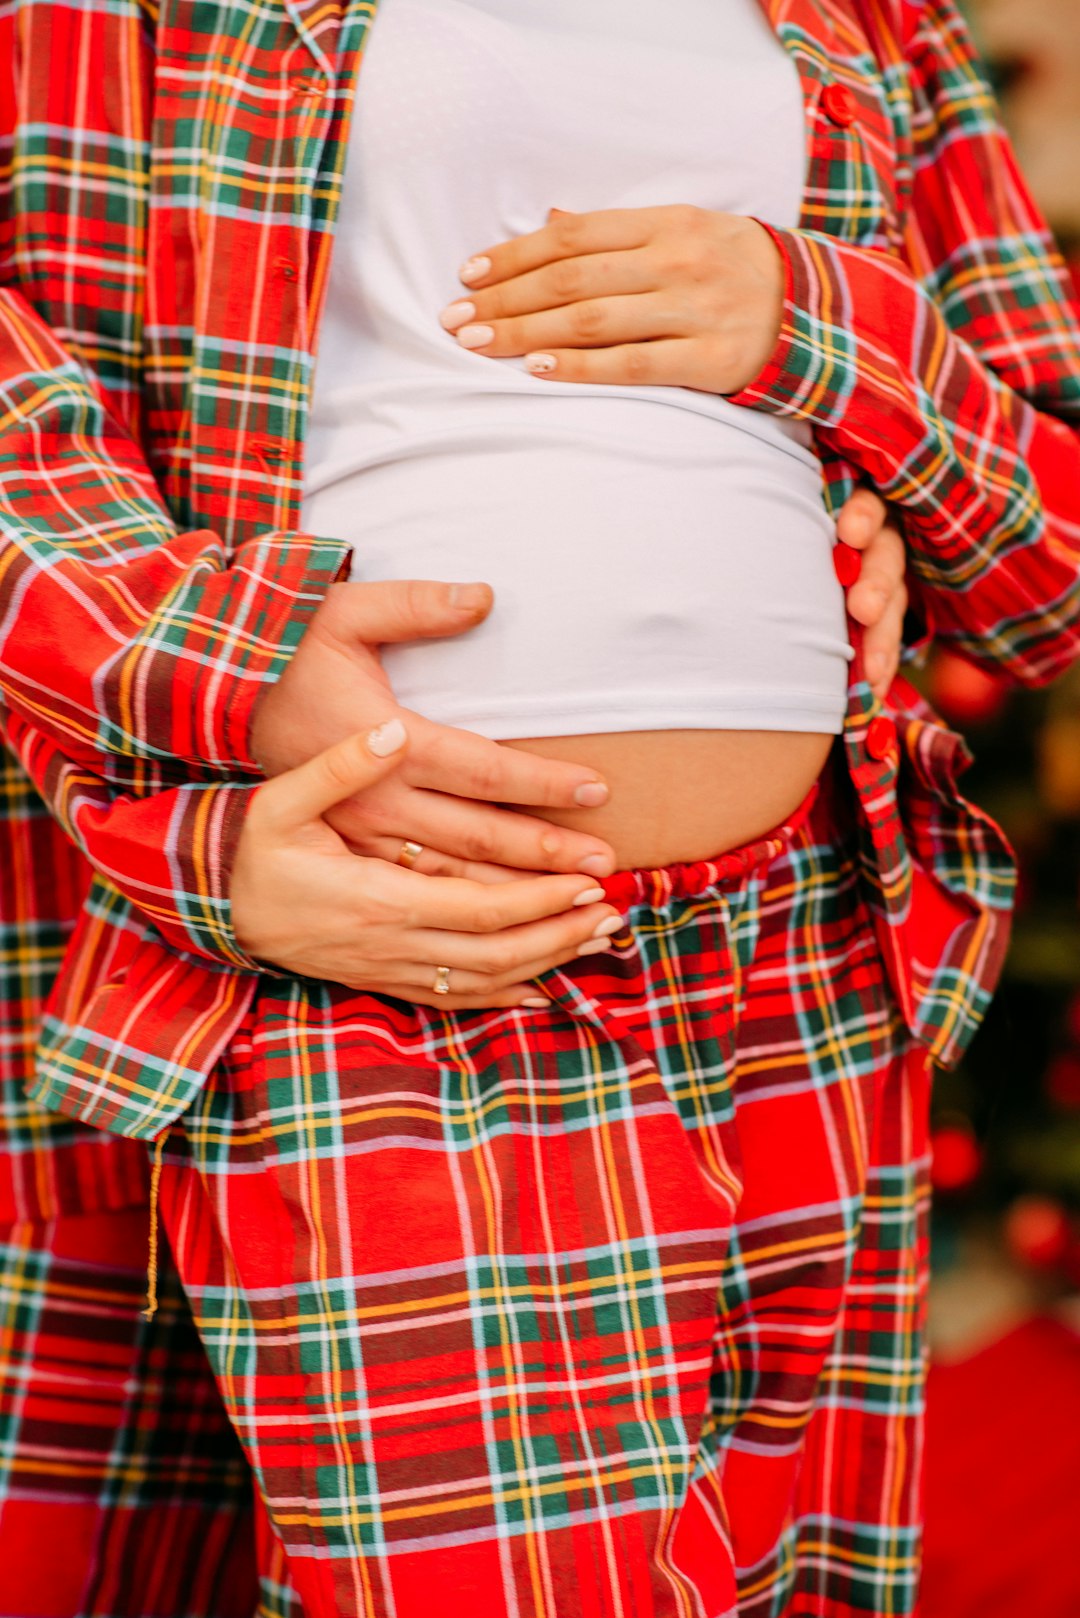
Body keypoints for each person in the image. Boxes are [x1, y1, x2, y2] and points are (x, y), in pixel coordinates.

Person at [1, 3, 1078, 1618]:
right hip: (382, 946)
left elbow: (1042, 554)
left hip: (806, 955)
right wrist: (217, 654)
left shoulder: (873, 18)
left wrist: (824, 321)